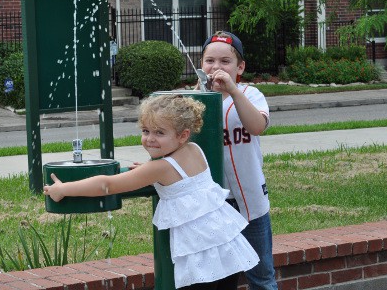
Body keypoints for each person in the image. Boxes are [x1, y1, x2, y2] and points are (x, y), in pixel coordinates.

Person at [44, 94, 259, 290]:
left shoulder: (160, 168)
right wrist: (148, 169)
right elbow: (176, 172)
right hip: (226, 250)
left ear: (183, 135)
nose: (150, 138)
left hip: (201, 260)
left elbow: (106, 185)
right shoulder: (195, 150)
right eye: (145, 131)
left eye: (159, 132)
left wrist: (63, 189)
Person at [199, 31, 278, 290]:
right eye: (210, 61)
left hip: (250, 201)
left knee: (261, 274)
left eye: (225, 62)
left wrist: (233, 90)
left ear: (239, 67)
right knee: (219, 277)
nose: (217, 67)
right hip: (213, 204)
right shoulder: (193, 100)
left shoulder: (250, 94)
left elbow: (256, 126)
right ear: (201, 64)